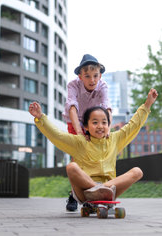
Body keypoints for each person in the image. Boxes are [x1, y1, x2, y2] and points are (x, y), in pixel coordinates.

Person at [29, 88, 158, 205]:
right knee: (71, 167)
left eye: (104, 122)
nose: (100, 126)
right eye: (95, 122)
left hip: (109, 189)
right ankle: (96, 189)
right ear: (86, 126)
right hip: (85, 192)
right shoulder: (79, 142)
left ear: (108, 125)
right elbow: (56, 135)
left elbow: (133, 125)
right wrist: (40, 118)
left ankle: (102, 190)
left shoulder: (115, 139)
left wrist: (147, 104)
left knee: (137, 172)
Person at [63, 54, 112, 211]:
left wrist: (108, 128)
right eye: (87, 76)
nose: (92, 80)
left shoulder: (102, 86)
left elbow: (107, 107)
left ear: (100, 75)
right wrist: (78, 131)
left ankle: (91, 193)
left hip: (92, 122)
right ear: (80, 76)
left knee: (92, 157)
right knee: (78, 158)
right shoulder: (73, 85)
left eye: (95, 76)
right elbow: (72, 106)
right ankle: (74, 194)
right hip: (75, 121)